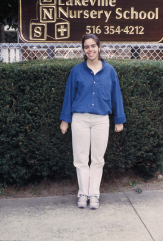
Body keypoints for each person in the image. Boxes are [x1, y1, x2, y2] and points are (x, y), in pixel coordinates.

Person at [60, 34, 126, 209]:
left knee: (97, 159)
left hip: (101, 120)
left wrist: (119, 120)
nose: (90, 50)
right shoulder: (76, 71)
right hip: (80, 119)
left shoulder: (110, 71)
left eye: (92, 46)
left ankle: (94, 194)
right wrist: (65, 120)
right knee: (80, 158)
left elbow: (116, 96)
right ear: (83, 49)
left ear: (99, 47)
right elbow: (69, 96)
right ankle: (83, 193)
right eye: (86, 47)